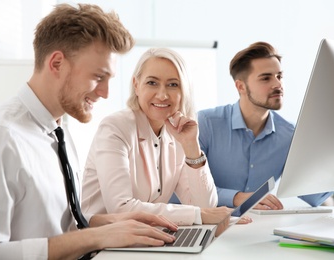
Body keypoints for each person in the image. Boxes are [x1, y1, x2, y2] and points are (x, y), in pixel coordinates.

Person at [0, 4, 179, 260]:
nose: (106, 93)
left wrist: (108, 223)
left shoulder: (57, 131)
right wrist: (95, 237)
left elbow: (54, 224)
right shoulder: (0, 137)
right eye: (99, 77)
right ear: (56, 63)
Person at [81, 47, 249, 227]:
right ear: (136, 85)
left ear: (184, 91)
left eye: (173, 84)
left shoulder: (177, 133)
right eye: (152, 83)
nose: (162, 95)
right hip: (103, 245)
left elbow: (205, 205)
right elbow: (121, 208)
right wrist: (197, 215)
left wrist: (191, 147)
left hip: (147, 237)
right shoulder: (115, 128)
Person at [194, 41, 332, 214]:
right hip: (209, 226)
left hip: (259, 228)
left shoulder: (290, 134)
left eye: (279, 76)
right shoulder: (206, 123)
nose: (278, 84)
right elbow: (186, 189)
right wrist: (237, 198)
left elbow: (314, 196)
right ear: (241, 86)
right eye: (266, 78)